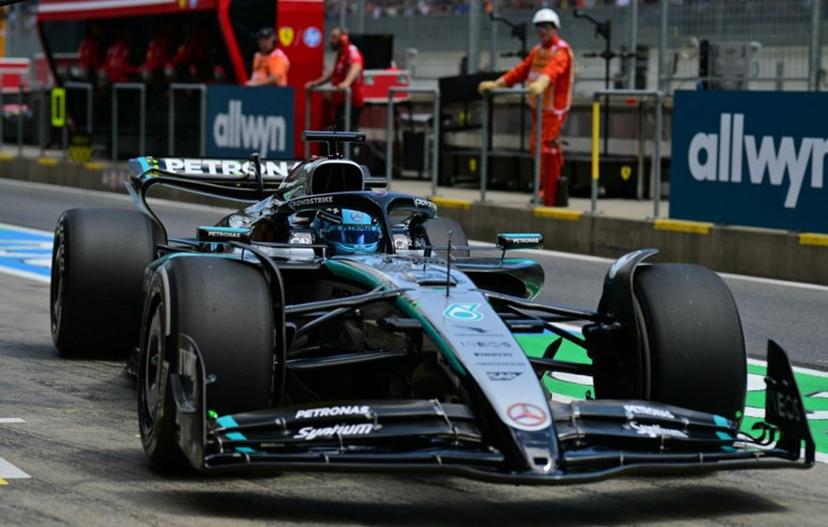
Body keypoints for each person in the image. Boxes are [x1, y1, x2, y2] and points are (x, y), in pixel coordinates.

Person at [478, 8, 574, 207]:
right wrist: (498, 83)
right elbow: (520, 71)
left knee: (546, 148)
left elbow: (553, 70)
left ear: (555, 28)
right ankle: (544, 189)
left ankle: (550, 193)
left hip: (553, 110)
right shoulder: (537, 50)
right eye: (539, 27)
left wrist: (541, 83)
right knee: (537, 147)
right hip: (538, 107)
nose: (542, 31)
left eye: (547, 27)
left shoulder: (561, 50)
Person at [305, 27, 364, 131]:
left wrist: (346, 82)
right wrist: (316, 83)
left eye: (334, 37)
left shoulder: (351, 50)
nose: (330, 40)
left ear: (343, 38)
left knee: (344, 137)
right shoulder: (340, 54)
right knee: (337, 135)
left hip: (351, 102)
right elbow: (333, 74)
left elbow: (357, 65)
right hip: (340, 102)